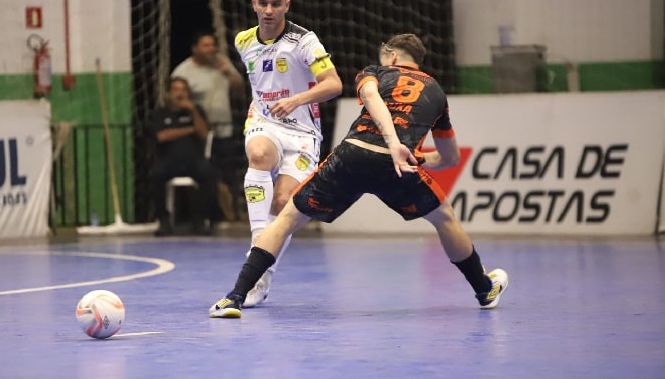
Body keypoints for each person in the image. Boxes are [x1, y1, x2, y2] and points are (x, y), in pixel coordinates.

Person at [210, 33, 509, 318]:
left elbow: (369, 95)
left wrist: (392, 141)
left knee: (286, 218)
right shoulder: (437, 93)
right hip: (397, 167)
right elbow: (450, 158)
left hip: (353, 155)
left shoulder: (375, 72)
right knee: (445, 218)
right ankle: (483, 289)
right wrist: (413, 155)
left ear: (392, 56)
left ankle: (235, 297)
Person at [233, 0, 343, 307]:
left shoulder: (305, 41)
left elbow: (334, 84)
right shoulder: (243, 41)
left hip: (302, 133)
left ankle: (261, 277)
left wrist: (296, 100)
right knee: (258, 154)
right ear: (254, 4)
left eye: (276, 4)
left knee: (282, 205)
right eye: (263, 3)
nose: (269, 10)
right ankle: (257, 247)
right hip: (264, 121)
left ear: (286, 5)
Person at [172, 30, 245, 221]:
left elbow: (240, 90)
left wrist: (228, 73)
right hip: (200, 133)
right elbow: (175, 101)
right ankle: (210, 216)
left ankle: (233, 214)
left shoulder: (222, 63)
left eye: (212, 45)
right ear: (195, 49)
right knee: (210, 175)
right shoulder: (183, 71)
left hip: (225, 129)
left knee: (229, 174)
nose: (210, 49)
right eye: (205, 45)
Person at [148, 76, 219, 236]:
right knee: (155, 175)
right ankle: (163, 221)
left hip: (193, 160)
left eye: (183, 90)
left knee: (208, 172)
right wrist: (189, 130)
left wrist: (193, 111)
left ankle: (201, 220)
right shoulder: (161, 113)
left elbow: (204, 133)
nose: (180, 94)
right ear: (168, 93)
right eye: (176, 90)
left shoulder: (196, 111)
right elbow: (162, 136)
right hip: (168, 161)